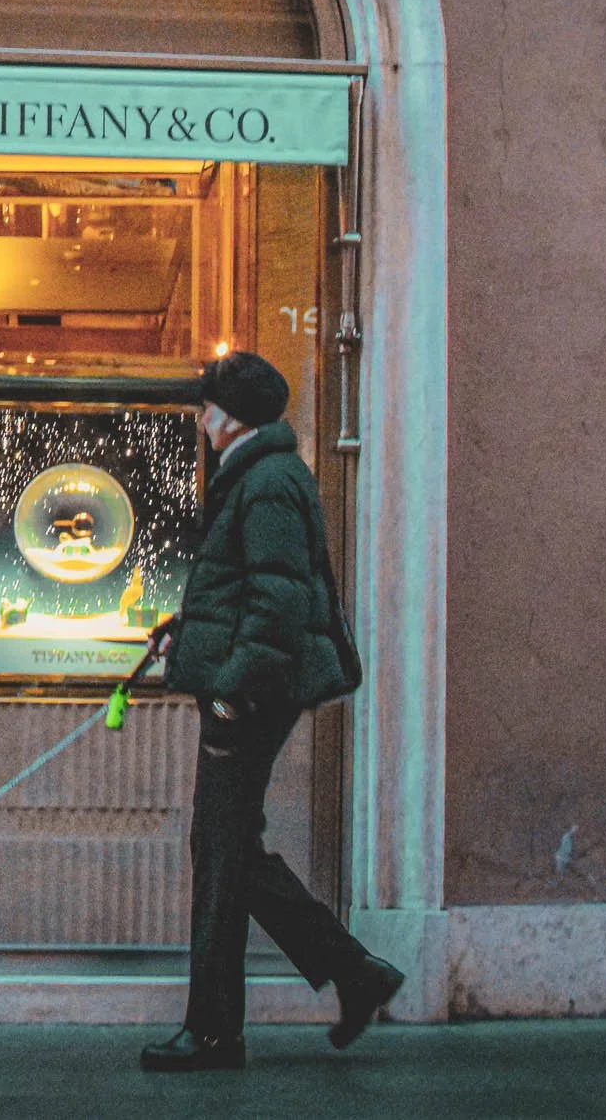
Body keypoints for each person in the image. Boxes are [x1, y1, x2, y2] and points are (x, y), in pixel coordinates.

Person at [138, 351, 403, 1073]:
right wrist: (189, 630)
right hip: (249, 685)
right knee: (226, 850)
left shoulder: (268, 481)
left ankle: (216, 1031)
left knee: (221, 852)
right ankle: (351, 972)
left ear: (232, 416)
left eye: (208, 405)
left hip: (251, 695)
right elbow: (247, 589)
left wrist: (234, 688)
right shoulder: (258, 475)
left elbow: (279, 600)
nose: (201, 416)